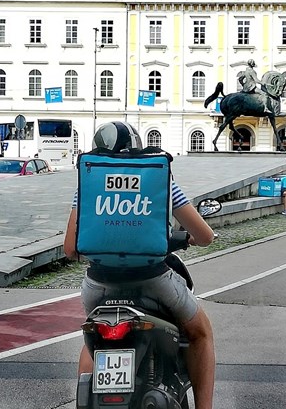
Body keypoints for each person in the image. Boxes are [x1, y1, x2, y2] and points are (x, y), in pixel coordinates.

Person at [63, 121, 216, 409]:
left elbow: (70, 248)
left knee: (92, 338)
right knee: (201, 333)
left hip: (99, 285)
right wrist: (189, 239)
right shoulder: (158, 176)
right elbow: (205, 236)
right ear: (135, 145)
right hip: (153, 281)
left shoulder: (88, 180)